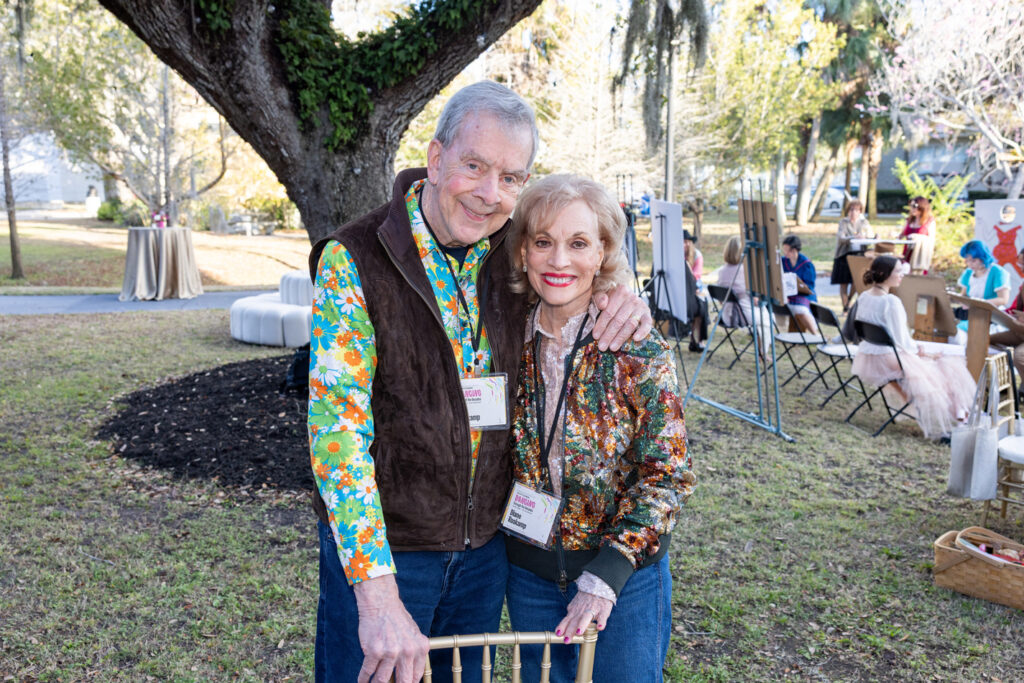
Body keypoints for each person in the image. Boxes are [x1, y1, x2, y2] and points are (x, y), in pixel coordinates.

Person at [306, 82, 652, 683]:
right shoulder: (355, 257)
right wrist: (378, 596)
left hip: (487, 554)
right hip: (392, 555)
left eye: (511, 177)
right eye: (474, 166)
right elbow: (336, 435)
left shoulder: (511, 250)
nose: (491, 194)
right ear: (436, 159)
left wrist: (624, 296)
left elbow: (575, 258)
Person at [501, 174, 695, 682]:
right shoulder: (500, 336)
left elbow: (667, 474)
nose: (559, 260)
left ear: (604, 251)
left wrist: (607, 574)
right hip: (529, 576)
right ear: (523, 250)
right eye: (543, 242)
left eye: (579, 243)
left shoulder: (636, 345)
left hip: (623, 581)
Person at [851, 256, 975, 440]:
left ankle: (959, 415)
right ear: (884, 274)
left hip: (869, 356)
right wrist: (924, 353)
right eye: (898, 272)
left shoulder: (863, 296)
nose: (902, 275)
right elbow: (902, 341)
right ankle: (958, 418)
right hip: (890, 358)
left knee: (942, 361)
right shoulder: (890, 302)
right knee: (949, 363)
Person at [717, 235, 771, 354]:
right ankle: (763, 353)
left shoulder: (721, 271)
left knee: (762, 317)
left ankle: (760, 349)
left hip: (726, 316)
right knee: (767, 319)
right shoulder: (746, 272)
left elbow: (721, 300)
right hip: (742, 316)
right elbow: (756, 300)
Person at [955, 240, 1010, 337]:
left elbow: (1003, 299)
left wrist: (980, 303)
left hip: (993, 317)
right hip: (971, 315)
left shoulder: (998, 272)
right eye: (967, 261)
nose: (970, 264)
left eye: (973, 260)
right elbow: (964, 295)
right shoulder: (968, 273)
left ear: (982, 257)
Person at [990, 247, 1024, 384]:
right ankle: (1003, 382)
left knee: (1020, 356)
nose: (1020, 268)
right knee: (987, 340)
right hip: (1019, 331)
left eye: (1023, 264)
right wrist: (999, 314)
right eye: (1020, 263)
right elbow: (1013, 309)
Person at [831, 199, 871, 312]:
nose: (853, 212)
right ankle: (845, 307)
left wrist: (866, 238)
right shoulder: (843, 222)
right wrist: (852, 238)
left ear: (860, 212)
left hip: (859, 255)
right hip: (844, 254)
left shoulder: (864, 223)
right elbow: (841, 237)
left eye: (856, 210)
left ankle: (849, 300)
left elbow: (870, 236)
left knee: (856, 280)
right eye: (851, 209)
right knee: (843, 282)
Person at [780, 234, 819, 334]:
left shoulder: (806, 265)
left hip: (803, 295)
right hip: (788, 295)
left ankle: (815, 334)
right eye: (784, 250)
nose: (785, 253)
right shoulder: (783, 262)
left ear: (794, 250)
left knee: (800, 309)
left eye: (787, 250)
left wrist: (798, 288)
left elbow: (810, 286)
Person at [683, 229, 708, 351]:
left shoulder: (697, 255)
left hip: (694, 287)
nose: (685, 244)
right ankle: (695, 339)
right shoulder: (675, 256)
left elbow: (696, 275)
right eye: (683, 242)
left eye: (687, 241)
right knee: (698, 307)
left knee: (702, 306)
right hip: (682, 290)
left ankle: (698, 340)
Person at [898, 196, 936, 273]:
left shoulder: (929, 221)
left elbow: (931, 240)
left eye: (914, 206)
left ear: (922, 206)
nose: (912, 208)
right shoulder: (909, 220)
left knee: (917, 277)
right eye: (911, 206)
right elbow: (901, 235)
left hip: (919, 255)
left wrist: (917, 237)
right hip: (907, 252)